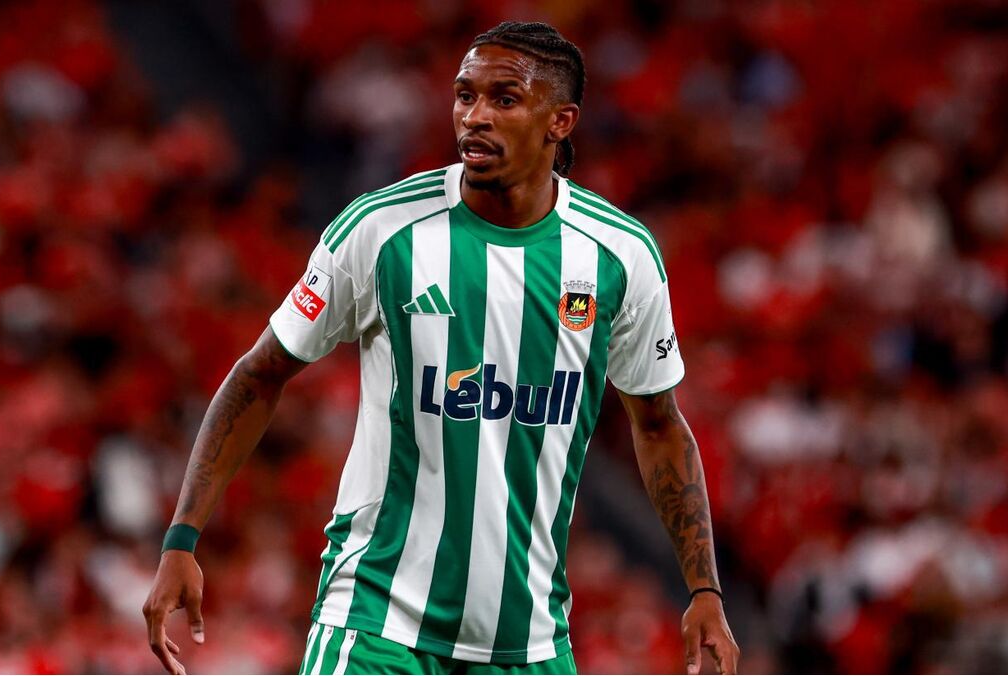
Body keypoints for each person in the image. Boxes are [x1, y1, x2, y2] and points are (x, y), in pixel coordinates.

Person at [143, 21, 740, 675]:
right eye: (464, 95)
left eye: (504, 99)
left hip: (529, 646)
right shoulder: (382, 228)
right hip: (377, 628)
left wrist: (704, 589)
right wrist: (182, 537)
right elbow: (260, 373)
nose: (474, 116)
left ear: (560, 121)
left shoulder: (619, 256)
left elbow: (658, 424)